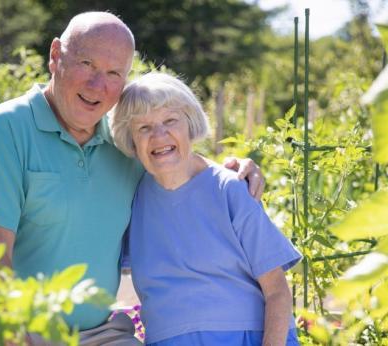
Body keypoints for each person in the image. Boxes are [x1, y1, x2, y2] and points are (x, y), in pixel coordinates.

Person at [0, 12, 264, 345]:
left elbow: (175, 158)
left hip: (99, 335)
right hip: (9, 325)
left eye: (114, 73)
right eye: (87, 64)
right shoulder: (7, 127)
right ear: (56, 55)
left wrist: (231, 168)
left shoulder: (123, 139)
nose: (97, 85)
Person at [111, 72, 302, 346]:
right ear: (130, 139)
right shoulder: (131, 198)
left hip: (249, 338)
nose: (159, 135)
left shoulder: (231, 188)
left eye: (170, 121)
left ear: (189, 124)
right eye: (144, 128)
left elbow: (277, 291)